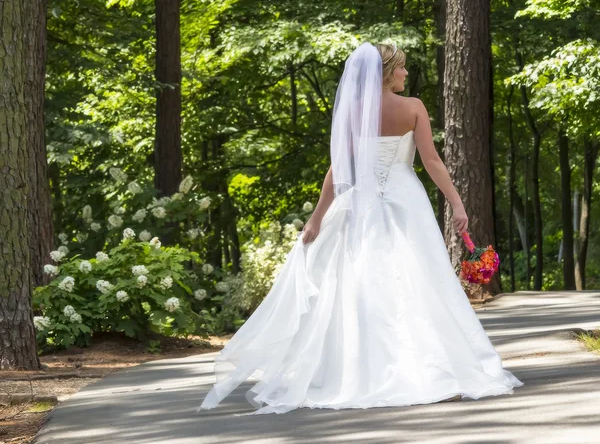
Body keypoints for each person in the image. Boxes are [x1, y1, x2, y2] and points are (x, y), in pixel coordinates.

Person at [198, 42, 524, 416]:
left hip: (360, 203)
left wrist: (317, 217)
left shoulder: (354, 111)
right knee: (418, 279)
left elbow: (339, 170)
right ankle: (428, 366)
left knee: (358, 282)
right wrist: (457, 202)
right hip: (406, 200)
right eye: (401, 68)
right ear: (387, 73)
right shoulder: (414, 107)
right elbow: (431, 160)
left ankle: (357, 369)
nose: (405, 74)